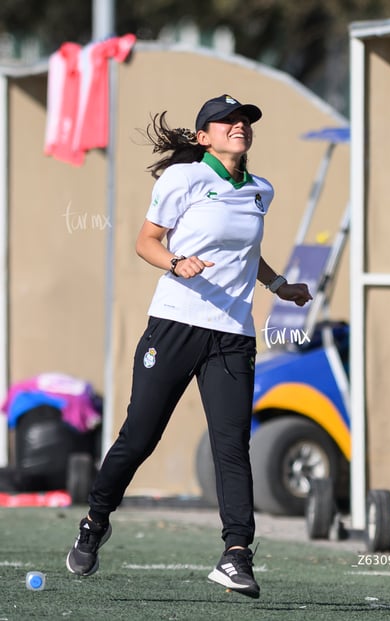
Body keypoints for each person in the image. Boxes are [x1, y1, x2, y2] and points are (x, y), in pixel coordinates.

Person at [66, 94, 312, 599]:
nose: (238, 126)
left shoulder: (261, 190)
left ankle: (236, 554)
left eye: (244, 120)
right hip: (176, 325)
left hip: (233, 335)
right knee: (140, 437)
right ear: (204, 137)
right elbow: (146, 240)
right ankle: (95, 519)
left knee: (231, 446)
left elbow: (246, 251)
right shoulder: (183, 179)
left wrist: (278, 284)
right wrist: (177, 262)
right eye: (226, 122)